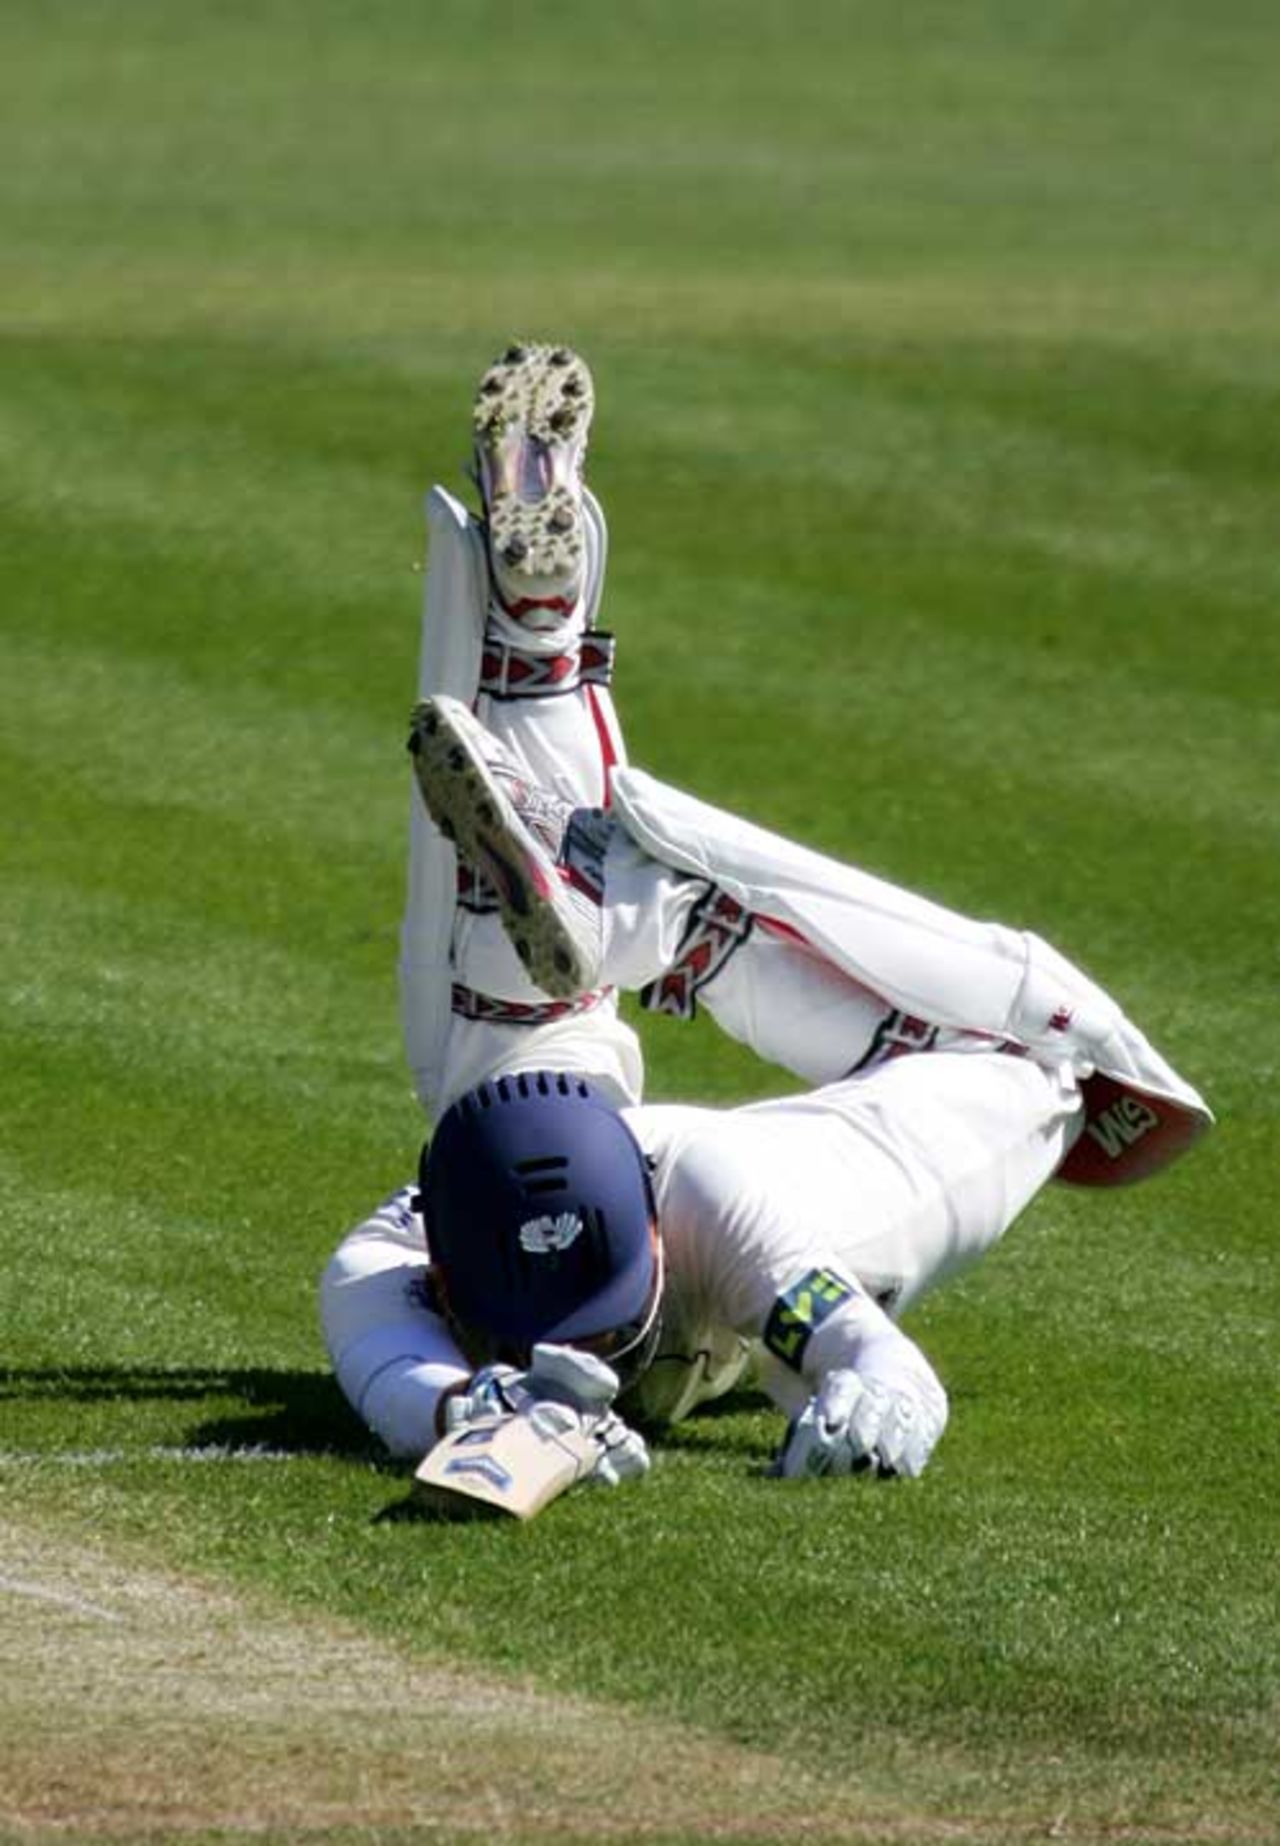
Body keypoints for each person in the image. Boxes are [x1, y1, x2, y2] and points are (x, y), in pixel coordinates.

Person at [320, 346, 1211, 1491]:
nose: (591, 1351)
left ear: (653, 1241)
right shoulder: (389, 1257)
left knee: (1042, 1067)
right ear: (447, 1278)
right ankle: (559, 689)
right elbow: (401, 1380)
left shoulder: (719, 1205)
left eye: (601, 1320)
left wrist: (872, 1399)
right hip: (544, 1134)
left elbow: (872, 1356)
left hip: (728, 1168)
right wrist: (481, 1408)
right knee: (517, 1024)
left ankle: (668, 921)